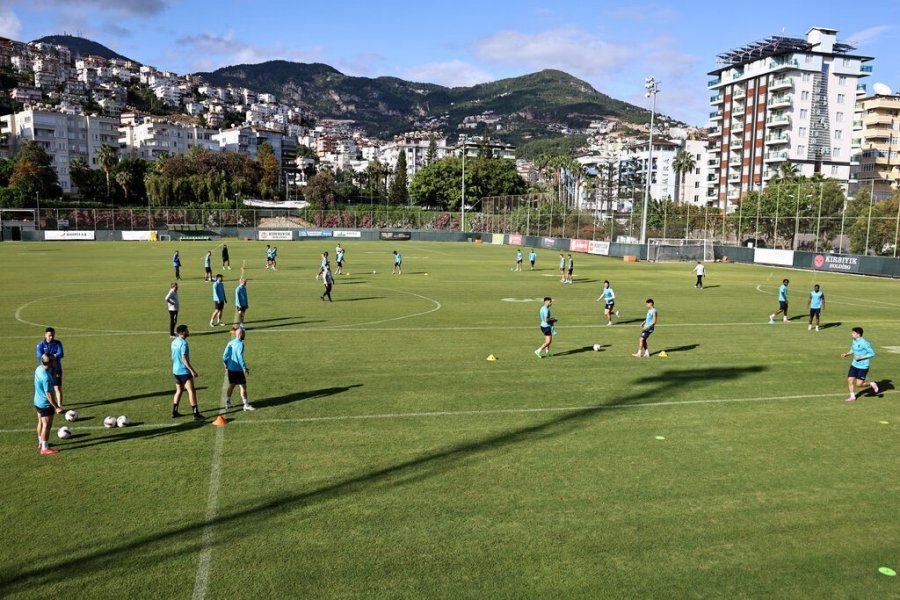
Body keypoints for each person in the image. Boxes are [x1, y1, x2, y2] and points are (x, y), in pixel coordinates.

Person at [34, 353, 63, 455]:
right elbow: (48, 394)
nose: (56, 361)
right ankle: (45, 448)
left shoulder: (39, 369)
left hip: (37, 401)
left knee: (40, 422)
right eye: (54, 360)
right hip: (45, 404)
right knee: (47, 425)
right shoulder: (46, 377)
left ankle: (40, 443)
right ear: (50, 363)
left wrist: (54, 369)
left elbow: (52, 376)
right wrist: (56, 407)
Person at [842, 327, 879, 402]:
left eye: (853, 333)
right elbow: (853, 349)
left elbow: (872, 353)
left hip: (863, 367)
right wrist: (847, 354)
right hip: (854, 365)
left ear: (858, 334)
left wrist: (861, 357)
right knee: (850, 380)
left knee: (859, 384)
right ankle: (852, 396)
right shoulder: (854, 340)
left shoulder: (865, 343)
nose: (851, 334)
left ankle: (872, 384)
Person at [223, 326, 255, 411]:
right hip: (238, 369)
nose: (244, 335)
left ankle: (228, 403)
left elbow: (224, 355)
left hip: (231, 368)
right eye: (243, 333)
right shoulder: (241, 344)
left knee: (232, 384)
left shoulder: (230, 343)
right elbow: (240, 357)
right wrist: (244, 368)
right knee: (243, 387)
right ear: (240, 334)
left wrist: (225, 364)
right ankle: (246, 404)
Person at [35, 327, 64, 408]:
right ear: (45, 335)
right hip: (46, 370)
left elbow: (61, 353)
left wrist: (48, 356)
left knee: (57, 387)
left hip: (56, 368)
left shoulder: (58, 343)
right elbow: (39, 356)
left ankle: (59, 405)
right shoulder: (40, 344)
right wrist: (53, 356)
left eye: (53, 335)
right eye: (50, 335)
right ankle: (49, 403)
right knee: (47, 388)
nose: (51, 337)